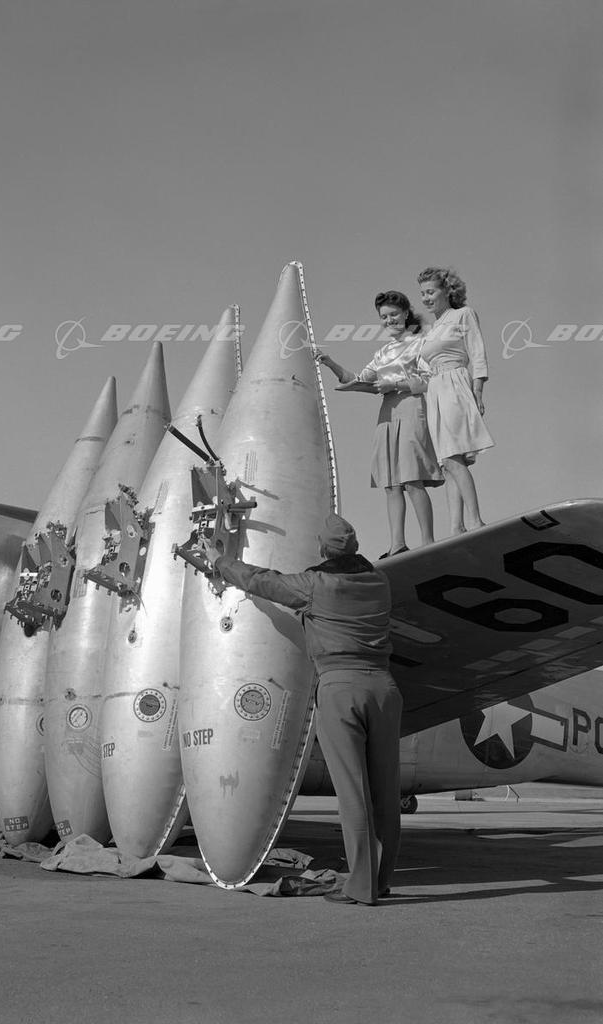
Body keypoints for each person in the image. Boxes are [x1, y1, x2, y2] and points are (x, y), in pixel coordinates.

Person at [208, 512, 403, 907]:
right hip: (384, 688)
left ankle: (361, 888)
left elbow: (264, 581)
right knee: (385, 793)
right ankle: (381, 881)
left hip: (340, 687)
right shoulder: (380, 582)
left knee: (353, 792)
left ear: (322, 548)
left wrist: (220, 562)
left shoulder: (316, 585)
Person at [317, 291, 442, 558]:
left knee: (412, 478)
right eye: (384, 317)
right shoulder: (383, 352)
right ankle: (397, 544)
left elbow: (430, 380)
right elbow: (358, 378)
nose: (389, 320)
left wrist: (395, 384)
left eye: (393, 314)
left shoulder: (421, 343)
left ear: (406, 313)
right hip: (387, 412)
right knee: (391, 482)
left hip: (412, 406)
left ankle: (428, 541)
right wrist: (330, 363)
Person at [417, 267, 494, 534]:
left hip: (455, 383)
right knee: (447, 463)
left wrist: (478, 391)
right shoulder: (432, 329)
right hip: (435, 390)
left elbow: (478, 352)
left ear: (447, 291)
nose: (426, 298)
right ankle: (455, 527)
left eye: (430, 292)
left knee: (453, 457)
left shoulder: (463, 314)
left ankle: (475, 520)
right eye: (423, 294)